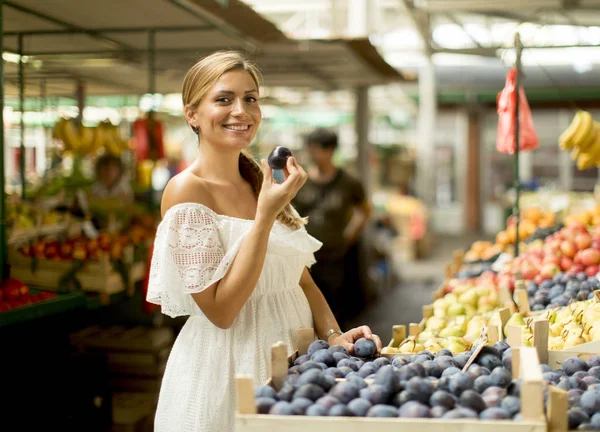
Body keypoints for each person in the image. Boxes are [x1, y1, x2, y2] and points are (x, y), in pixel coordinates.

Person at [146, 51, 381, 432]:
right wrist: (265, 215)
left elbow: (300, 281)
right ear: (192, 114)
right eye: (224, 99)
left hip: (298, 365)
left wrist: (335, 337)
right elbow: (222, 312)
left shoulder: (260, 181)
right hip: (230, 372)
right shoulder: (186, 190)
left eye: (250, 98)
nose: (241, 110)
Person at [292, 128, 372, 328]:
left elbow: (364, 211)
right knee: (303, 306)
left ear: (331, 151)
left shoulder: (348, 183)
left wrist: (348, 236)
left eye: (317, 149)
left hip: (335, 256)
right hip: (304, 256)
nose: (312, 154)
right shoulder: (299, 180)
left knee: (336, 306)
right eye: (310, 149)